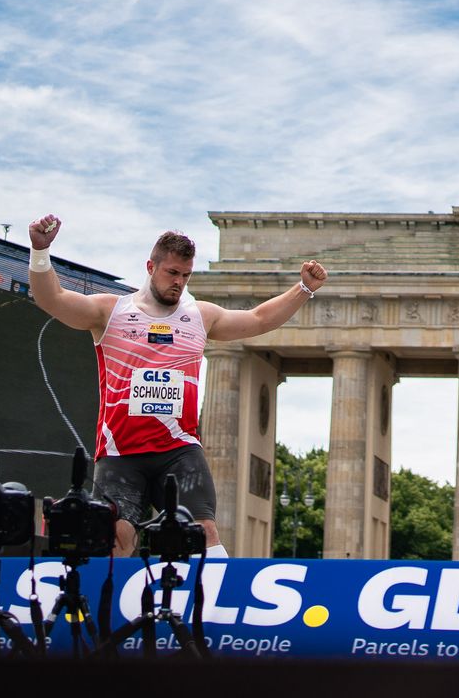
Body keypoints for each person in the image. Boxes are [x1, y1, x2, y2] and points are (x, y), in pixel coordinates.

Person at [26, 216, 326, 556]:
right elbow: (52, 300)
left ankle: (212, 607)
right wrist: (40, 250)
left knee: (205, 535)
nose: (178, 283)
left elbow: (257, 319)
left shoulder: (200, 315)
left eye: (185, 276)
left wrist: (303, 290)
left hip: (178, 451)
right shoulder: (111, 312)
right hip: (121, 453)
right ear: (151, 266)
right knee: (116, 541)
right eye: (172, 273)